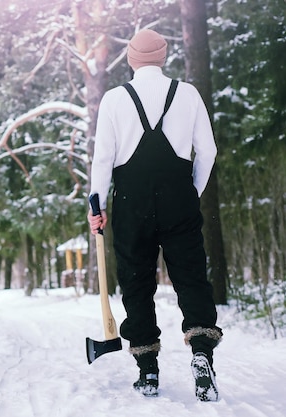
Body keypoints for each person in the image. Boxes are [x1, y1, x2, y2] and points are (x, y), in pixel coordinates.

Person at [87, 28, 222, 401]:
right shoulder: (188, 94)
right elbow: (207, 152)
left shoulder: (114, 100)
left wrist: (95, 207)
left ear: (131, 59)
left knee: (136, 280)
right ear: (162, 58)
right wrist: (190, 192)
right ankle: (201, 354)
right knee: (191, 276)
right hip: (179, 198)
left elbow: (103, 160)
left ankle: (147, 370)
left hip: (131, 202)